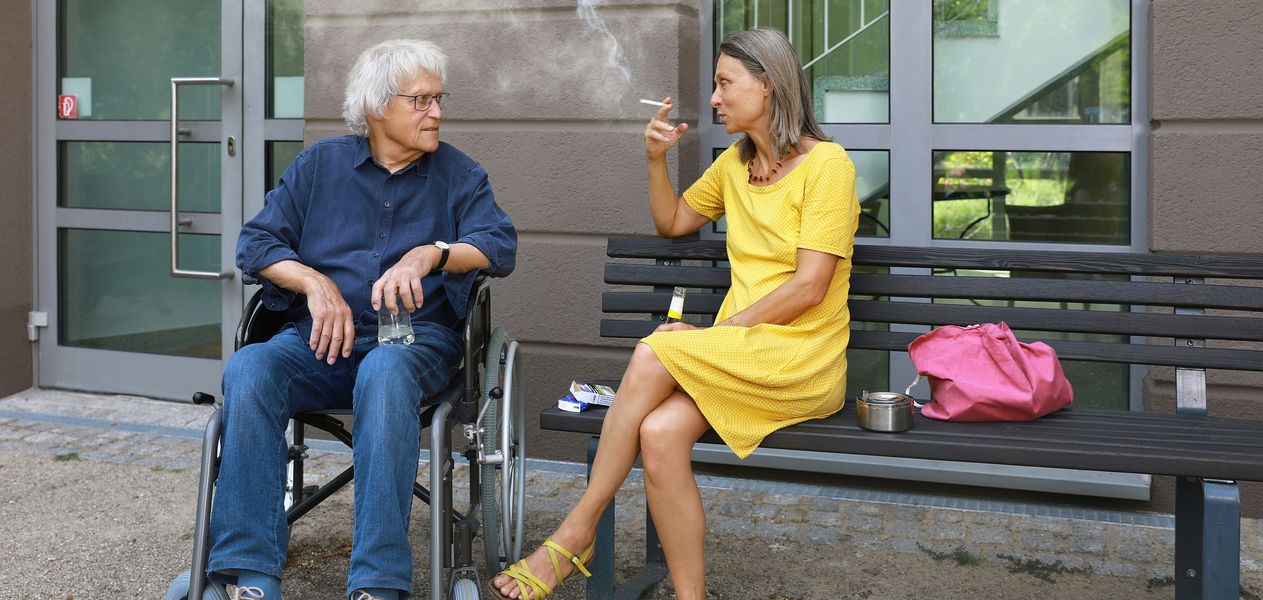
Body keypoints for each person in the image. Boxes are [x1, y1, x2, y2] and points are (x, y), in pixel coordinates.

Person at [489, 27, 857, 600]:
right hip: (740, 355)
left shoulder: (827, 166)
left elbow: (810, 288)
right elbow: (675, 221)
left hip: (800, 357)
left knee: (655, 345)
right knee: (659, 435)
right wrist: (654, 159)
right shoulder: (737, 165)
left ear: (768, 85)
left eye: (724, 84)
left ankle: (575, 532)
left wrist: (717, 333)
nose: (714, 98)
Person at [206, 39, 516, 600]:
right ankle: (248, 575)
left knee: (385, 372)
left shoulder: (459, 175)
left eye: (438, 98)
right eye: (420, 100)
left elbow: (499, 246)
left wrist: (433, 254)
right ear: (378, 108)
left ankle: (377, 582)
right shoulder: (319, 167)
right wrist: (312, 281)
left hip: (416, 348)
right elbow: (255, 243)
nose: (436, 112)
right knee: (250, 369)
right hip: (320, 344)